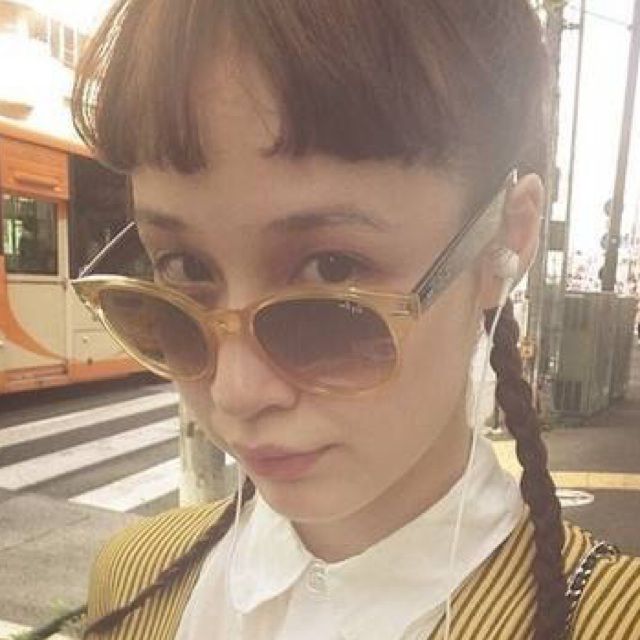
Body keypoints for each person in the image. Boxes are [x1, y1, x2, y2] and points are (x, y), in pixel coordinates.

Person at [69, 1, 640, 639]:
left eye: (332, 269)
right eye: (182, 268)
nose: (236, 392)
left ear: (504, 238)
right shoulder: (132, 582)